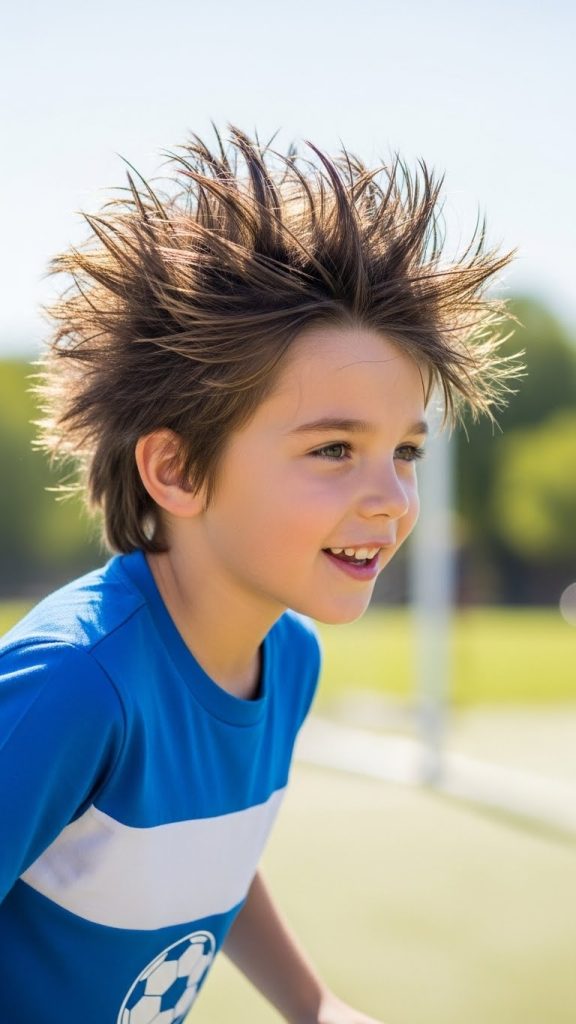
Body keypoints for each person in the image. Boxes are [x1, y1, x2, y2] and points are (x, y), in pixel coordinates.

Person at [0, 124, 520, 1024]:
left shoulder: (290, 659)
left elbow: (207, 858)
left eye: (404, 450)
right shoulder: (74, 686)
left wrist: (313, 1002)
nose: (391, 497)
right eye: (332, 448)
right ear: (177, 471)